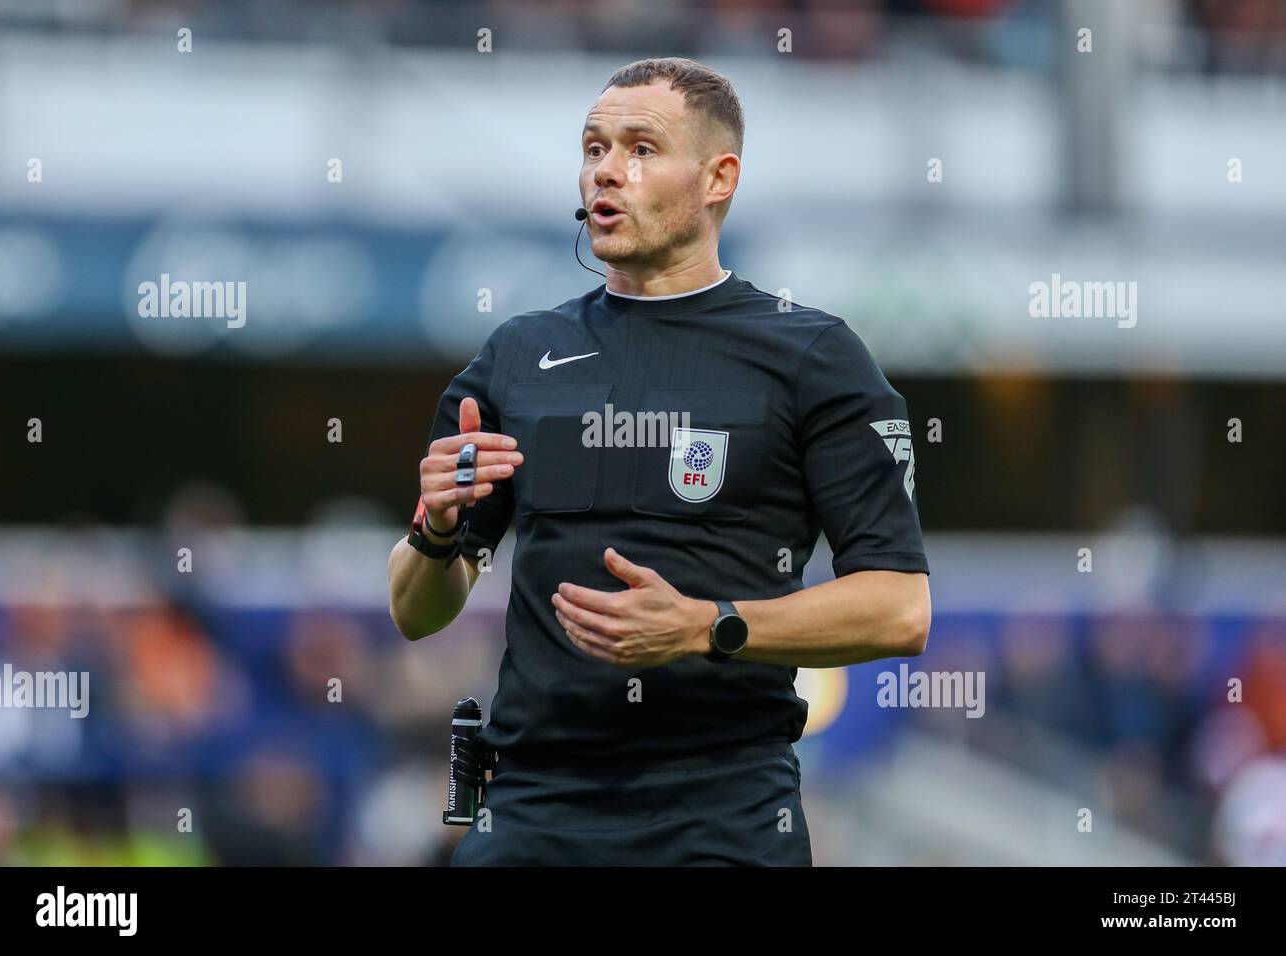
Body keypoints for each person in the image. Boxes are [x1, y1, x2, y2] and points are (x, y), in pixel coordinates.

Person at [388, 57, 931, 866]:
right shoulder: (517, 356)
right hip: (534, 808)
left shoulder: (812, 356)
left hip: (724, 814)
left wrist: (706, 626)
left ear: (719, 177)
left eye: (641, 148)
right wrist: (437, 531)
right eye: (594, 147)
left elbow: (900, 609)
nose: (607, 168)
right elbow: (416, 612)